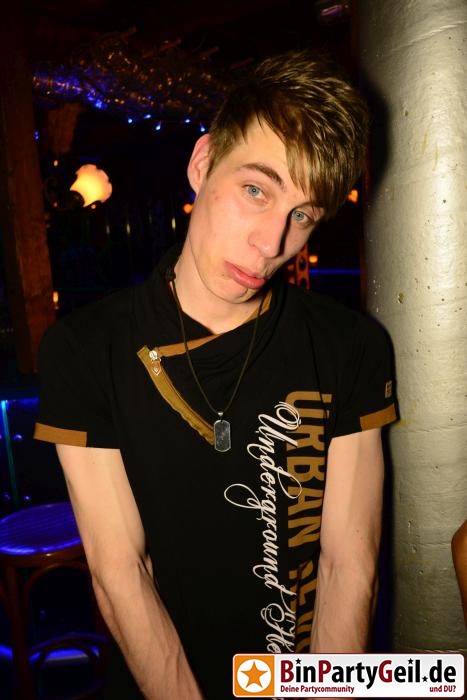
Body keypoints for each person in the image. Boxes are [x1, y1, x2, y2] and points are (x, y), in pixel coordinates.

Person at [34, 50, 397, 699]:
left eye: (303, 215)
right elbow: (121, 571)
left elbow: (350, 565)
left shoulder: (350, 346)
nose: (272, 243)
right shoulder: (85, 349)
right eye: (256, 190)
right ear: (203, 164)